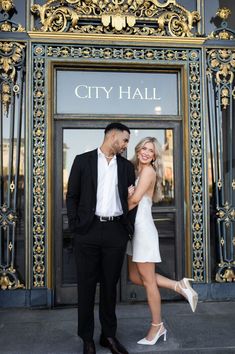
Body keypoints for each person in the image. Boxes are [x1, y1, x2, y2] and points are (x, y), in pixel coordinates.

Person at [66, 122, 137, 354]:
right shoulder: (82, 160)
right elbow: (72, 196)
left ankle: (108, 336)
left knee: (109, 288)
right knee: (86, 287)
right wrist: (77, 227)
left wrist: (127, 228)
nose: (127, 145)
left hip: (115, 232)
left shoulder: (126, 166)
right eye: (125, 140)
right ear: (113, 136)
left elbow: (131, 201)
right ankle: (86, 338)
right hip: (88, 231)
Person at [126, 137, 198, 346]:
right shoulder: (135, 170)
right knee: (134, 276)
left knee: (148, 281)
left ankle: (157, 326)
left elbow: (133, 201)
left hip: (143, 230)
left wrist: (123, 200)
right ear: (138, 149)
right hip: (134, 230)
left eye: (151, 150)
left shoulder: (148, 172)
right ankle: (178, 285)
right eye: (144, 148)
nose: (146, 152)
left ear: (155, 156)